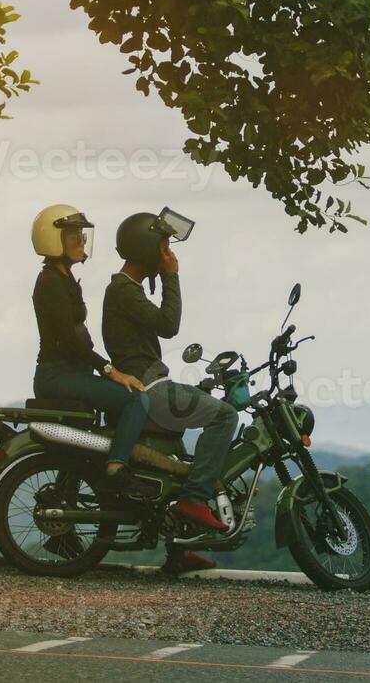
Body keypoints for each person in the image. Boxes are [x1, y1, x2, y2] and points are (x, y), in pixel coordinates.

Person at [102, 211, 240, 574]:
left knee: (179, 456)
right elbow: (169, 325)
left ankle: (180, 546)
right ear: (146, 249)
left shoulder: (125, 290)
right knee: (226, 416)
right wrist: (171, 277)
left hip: (153, 383)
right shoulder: (122, 290)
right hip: (151, 389)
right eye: (163, 245)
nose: (168, 252)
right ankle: (194, 502)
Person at [29, 203, 148, 492]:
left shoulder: (63, 278)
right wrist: (111, 371)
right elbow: (71, 340)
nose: (81, 242)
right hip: (59, 376)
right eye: (73, 236)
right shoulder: (51, 282)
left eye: (82, 236)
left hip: (71, 372)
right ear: (52, 240)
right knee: (135, 399)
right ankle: (117, 468)